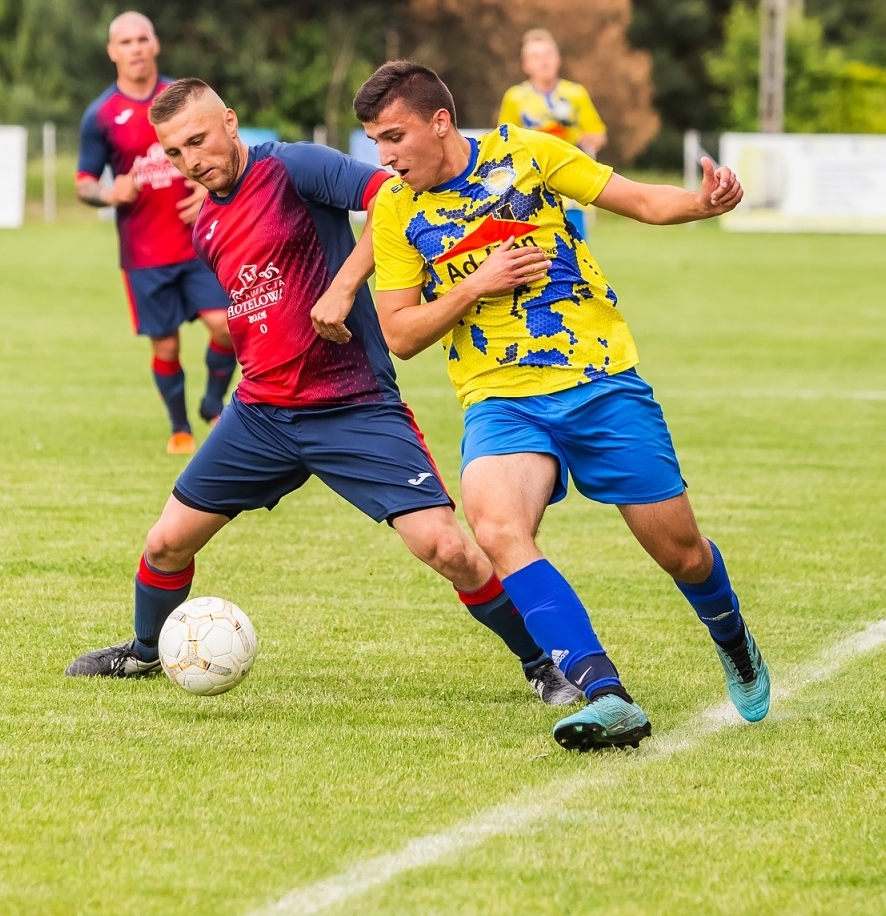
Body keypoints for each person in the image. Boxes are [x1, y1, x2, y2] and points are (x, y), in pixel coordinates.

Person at [64, 78, 582, 708]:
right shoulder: (206, 225)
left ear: (230, 122)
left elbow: (394, 198)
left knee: (447, 547)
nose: (189, 160)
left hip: (353, 405)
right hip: (262, 414)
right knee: (166, 543)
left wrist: (341, 286)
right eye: (174, 152)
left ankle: (542, 663)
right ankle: (147, 650)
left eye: (197, 141)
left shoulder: (293, 167)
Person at [357, 60, 770, 752]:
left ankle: (732, 636)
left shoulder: (528, 153)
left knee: (682, 553)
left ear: (440, 122)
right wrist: (475, 285)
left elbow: (637, 200)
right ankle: (605, 693)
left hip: (599, 380)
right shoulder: (396, 210)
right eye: (375, 142)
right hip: (500, 398)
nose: (385, 157)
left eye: (394, 137)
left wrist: (702, 204)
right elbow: (399, 333)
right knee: (496, 527)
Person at [77, 12, 237, 454]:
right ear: (112, 51)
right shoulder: (100, 115)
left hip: (200, 243)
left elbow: (226, 151)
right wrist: (108, 193)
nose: (135, 48)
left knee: (226, 327)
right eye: (126, 42)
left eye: (142, 39)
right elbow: (83, 183)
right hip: (144, 252)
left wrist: (208, 187)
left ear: (155, 44)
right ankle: (180, 428)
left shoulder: (184, 100)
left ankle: (213, 403)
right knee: (166, 346)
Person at [498, 29, 608, 239]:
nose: (543, 61)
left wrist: (591, 140)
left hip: (572, 183)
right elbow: (504, 140)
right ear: (525, 65)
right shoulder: (515, 97)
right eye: (536, 56)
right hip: (531, 184)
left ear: (558, 59)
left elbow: (598, 133)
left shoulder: (576, 93)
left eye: (548, 54)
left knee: (576, 244)